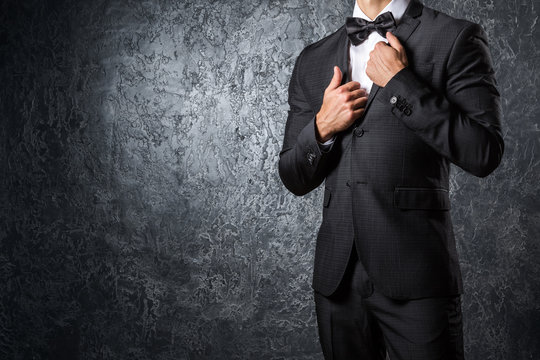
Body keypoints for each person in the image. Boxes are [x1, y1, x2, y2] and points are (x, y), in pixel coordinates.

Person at [277, 0, 504, 358]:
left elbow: (484, 152)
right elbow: (293, 176)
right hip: (338, 282)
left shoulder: (455, 37)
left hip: (417, 276)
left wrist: (402, 84)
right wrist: (322, 128)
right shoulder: (314, 58)